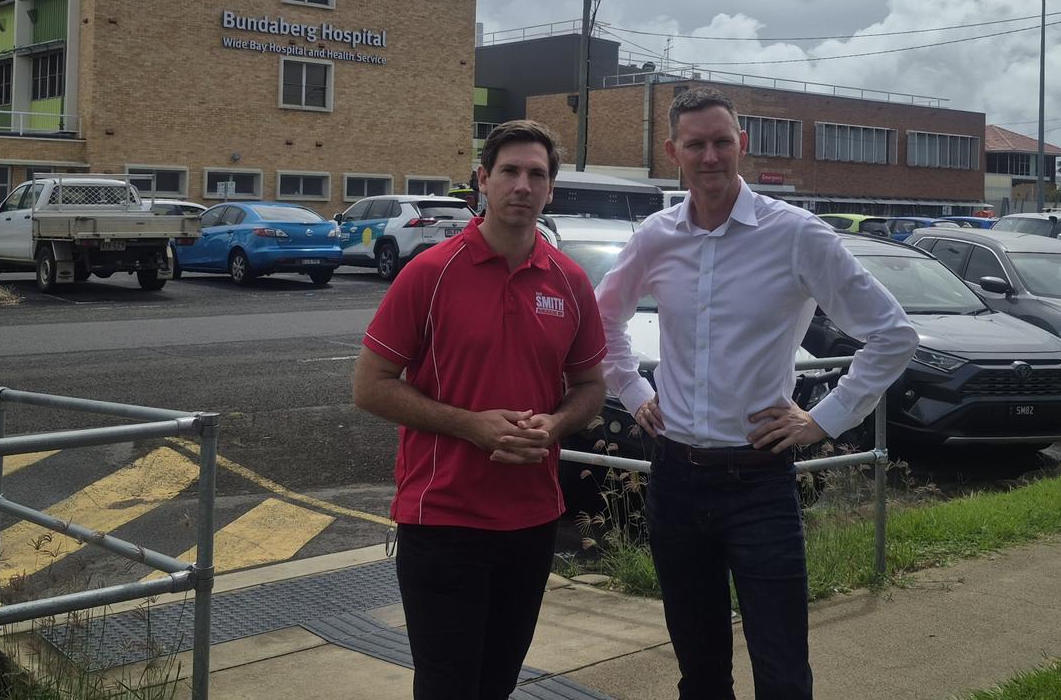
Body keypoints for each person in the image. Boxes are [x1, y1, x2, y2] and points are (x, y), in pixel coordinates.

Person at [594, 87, 918, 699]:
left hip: (759, 481)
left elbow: (893, 334)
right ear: (674, 151)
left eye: (722, 141)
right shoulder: (656, 236)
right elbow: (601, 317)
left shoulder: (796, 234)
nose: (710, 155)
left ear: (742, 143)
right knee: (701, 670)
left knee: (783, 672)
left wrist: (824, 420)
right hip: (675, 480)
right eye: (696, 144)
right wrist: (634, 388)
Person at [352, 119, 608, 700]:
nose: (522, 185)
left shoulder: (569, 282)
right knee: (448, 687)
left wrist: (557, 424)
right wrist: (470, 424)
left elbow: (590, 385)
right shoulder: (430, 272)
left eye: (535, 174)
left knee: (497, 684)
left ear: (550, 190)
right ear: (482, 181)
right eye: (510, 172)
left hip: (533, 520)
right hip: (443, 520)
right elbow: (369, 386)